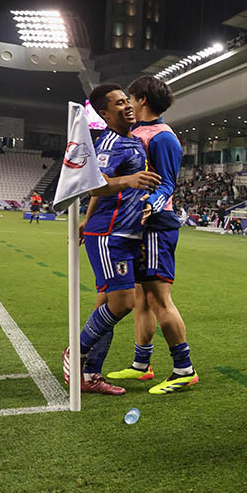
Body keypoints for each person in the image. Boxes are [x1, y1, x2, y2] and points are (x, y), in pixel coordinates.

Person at [62, 83, 162, 395]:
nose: (127, 106)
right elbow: (95, 184)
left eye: (127, 100)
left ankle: (91, 374)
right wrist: (129, 181)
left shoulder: (132, 141)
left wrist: (87, 217)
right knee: (123, 302)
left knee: (107, 304)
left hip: (124, 232)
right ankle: (75, 352)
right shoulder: (109, 144)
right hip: (110, 234)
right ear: (104, 114)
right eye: (118, 104)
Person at [105, 75, 197, 394]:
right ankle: (141, 365)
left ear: (142, 99)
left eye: (131, 97)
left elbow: (168, 183)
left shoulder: (163, 136)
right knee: (142, 297)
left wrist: (150, 206)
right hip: (138, 225)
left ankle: (184, 369)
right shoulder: (136, 133)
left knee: (159, 298)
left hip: (157, 224)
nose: (128, 102)